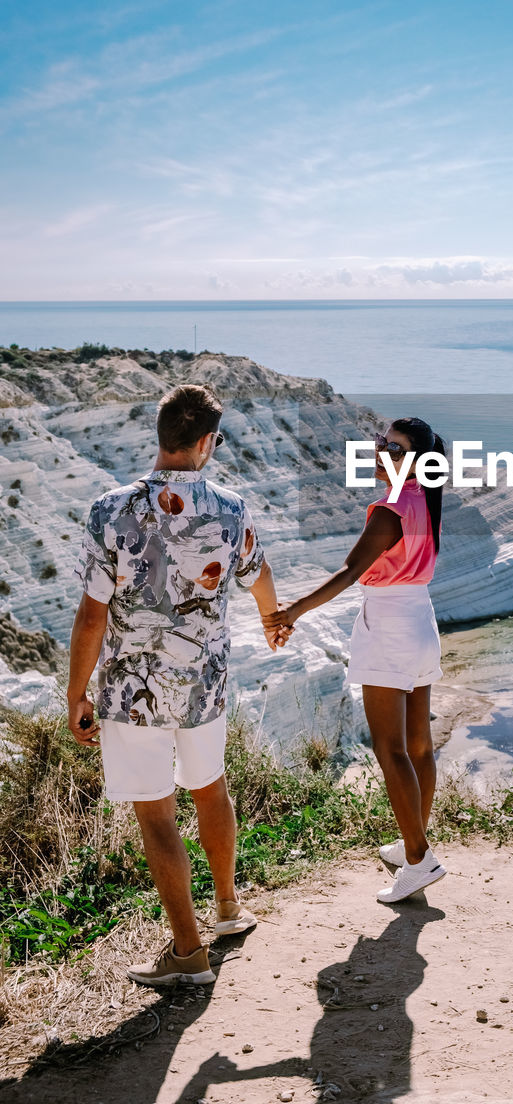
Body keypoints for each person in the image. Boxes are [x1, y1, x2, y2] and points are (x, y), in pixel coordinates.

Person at [68, 383, 291, 987]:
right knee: (211, 789)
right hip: (204, 684)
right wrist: (274, 620)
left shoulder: (110, 509)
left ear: (162, 437)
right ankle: (227, 911)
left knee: (157, 815)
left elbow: (92, 615)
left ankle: (187, 954)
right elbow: (257, 572)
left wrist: (77, 693)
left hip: (132, 689)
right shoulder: (231, 507)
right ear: (206, 444)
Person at [265, 417, 447, 904]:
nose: (379, 450)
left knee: (390, 749)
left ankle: (417, 858)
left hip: (388, 625)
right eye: (380, 442)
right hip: (421, 619)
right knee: (419, 746)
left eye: (391, 446)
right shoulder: (424, 499)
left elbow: (349, 572)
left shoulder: (389, 509)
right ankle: (416, 842)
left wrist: (292, 612)